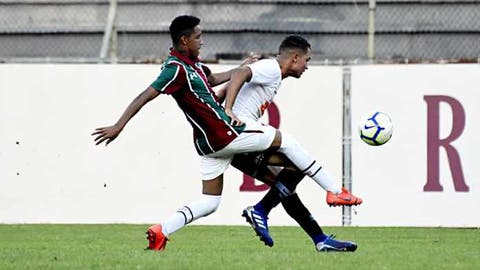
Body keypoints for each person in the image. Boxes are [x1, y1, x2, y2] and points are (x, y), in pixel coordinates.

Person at [92, 15, 355, 252]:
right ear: (184, 40)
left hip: (208, 144)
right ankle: (334, 190)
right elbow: (146, 94)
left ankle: (161, 231)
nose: (202, 41)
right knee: (289, 144)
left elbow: (215, 83)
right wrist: (119, 125)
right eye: (198, 37)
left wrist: (235, 77)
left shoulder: (193, 66)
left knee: (210, 202)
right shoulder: (175, 68)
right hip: (225, 132)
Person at [219, 35, 361, 251]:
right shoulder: (271, 68)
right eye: (307, 60)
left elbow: (230, 85)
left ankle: (319, 239)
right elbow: (240, 73)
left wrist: (221, 100)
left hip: (239, 145)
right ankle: (334, 190)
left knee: (286, 184)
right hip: (240, 134)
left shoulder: (273, 76)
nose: (307, 66)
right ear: (295, 58)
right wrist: (229, 110)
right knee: (293, 155)